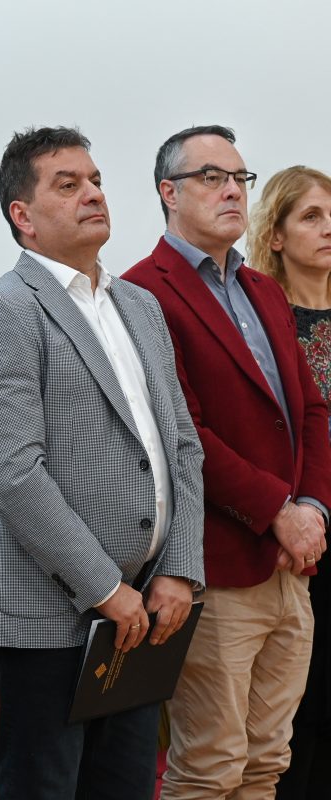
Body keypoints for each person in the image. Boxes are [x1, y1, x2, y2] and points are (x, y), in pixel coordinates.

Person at [0, 125, 205, 800]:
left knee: (125, 788)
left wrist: (178, 568)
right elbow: (12, 474)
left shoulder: (139, 306)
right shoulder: (0, 311)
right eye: (68, 185)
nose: (93, 194)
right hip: (49, 614)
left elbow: (182, 446)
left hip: (143, 605)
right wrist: (104, 589)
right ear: (23, 216)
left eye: (95, 181)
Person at [124, 126, 331, 799]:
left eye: (240, 178)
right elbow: (183, 431)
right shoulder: (142, 291)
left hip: (289, 564)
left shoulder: (263, 289)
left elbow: (310, 411)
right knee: (211, 766)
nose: (232, 191)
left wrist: (311, 510)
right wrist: (277, 510)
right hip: (215, 564)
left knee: (268, 763)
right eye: (211, 178)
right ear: (169, 192)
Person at [247, 165, 331, 797]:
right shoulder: (260, 321)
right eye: (311, 216)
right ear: (274, 234)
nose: (329, 228)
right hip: (296, 541)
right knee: (298, 718)